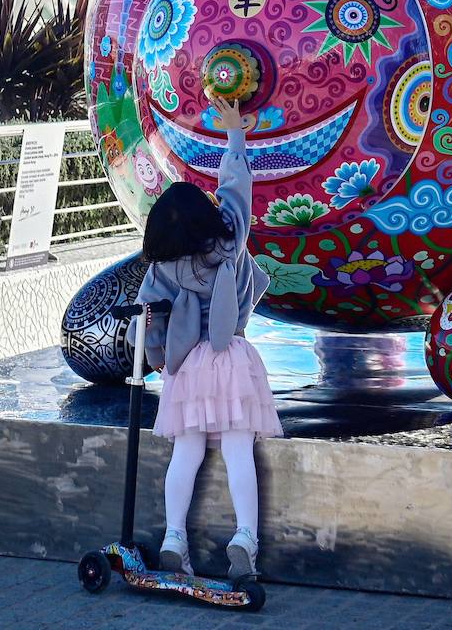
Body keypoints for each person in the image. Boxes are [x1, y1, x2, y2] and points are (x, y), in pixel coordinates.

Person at [130, 89, 281, 580]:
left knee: (187, 452)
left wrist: (155, 358)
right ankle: (246, 541)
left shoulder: (164, 267)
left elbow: (149, 321)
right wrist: (235, 131)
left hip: (189, 365)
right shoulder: (231, 238)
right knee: (239, 451)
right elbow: (236, 184)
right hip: (232, 357)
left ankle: (175, 535)